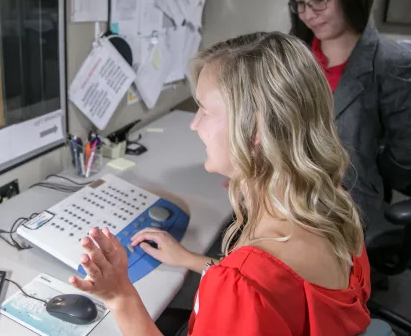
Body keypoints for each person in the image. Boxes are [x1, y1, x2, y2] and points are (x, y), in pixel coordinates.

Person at [69, 32, 371, 336]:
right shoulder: (335, 206)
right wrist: (190, 259)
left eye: (205, 111)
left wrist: (120, 295)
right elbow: (284, 290)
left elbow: (255, 286)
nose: (194, 123)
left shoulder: (242, 284)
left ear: (254, 131)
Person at [289, 0, 411, 227]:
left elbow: (404, 162)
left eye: (319, 0)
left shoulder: (391, 62)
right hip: (289, 203)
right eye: (301, 4)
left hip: (348, 217)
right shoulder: (297, 55)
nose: (308, 14)